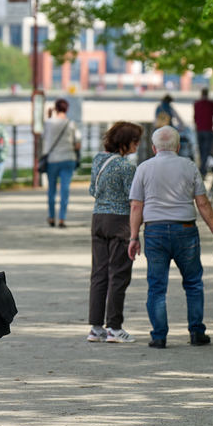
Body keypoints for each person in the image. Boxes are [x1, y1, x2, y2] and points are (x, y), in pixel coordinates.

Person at [128, 125, 213, 349]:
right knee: (193, 283)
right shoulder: (189, 166)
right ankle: (196, 332)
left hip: (155, 231)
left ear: (154, 148)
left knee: (156, 286)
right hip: (185, 230)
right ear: (178, 147)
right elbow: (202, 203)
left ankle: (159, 336)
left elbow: (136, 206)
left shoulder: (143, 168)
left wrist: (133, 237)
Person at [86, 121, 143, 344]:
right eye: (135, 141)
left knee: (99, 274)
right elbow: (134, 198)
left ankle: (96, 327)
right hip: (120, 222)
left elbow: (93, 190)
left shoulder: (98, 160)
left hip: (98, 219)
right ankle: (115, 327)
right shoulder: (127, 167)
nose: (138, 145)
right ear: (125, 142)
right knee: (118, 275)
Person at [42, 98, 80, 228]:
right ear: (67, 109)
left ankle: (51, 217)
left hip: (52, 160)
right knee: (65, 190)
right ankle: (62, 218)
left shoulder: (48, 123)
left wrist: (49, 116)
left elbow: (44, 137)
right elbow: (78, 143)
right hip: (68, 159)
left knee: (51, 190)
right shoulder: (71, 124)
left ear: (56, 108)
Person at [192, 88, 213, 176]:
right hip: (208, 129)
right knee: (206, 150)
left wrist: (196, 126)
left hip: (200, 129)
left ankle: (202, 169)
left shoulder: (197, 104)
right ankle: (203, 169)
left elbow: (195, 117)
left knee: (201, 150)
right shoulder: (211, 104)